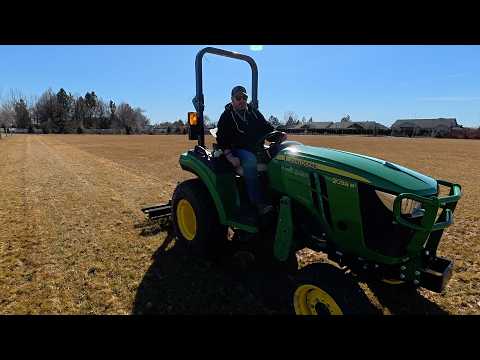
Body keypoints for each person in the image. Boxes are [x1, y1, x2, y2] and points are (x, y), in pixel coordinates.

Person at [216, 85, 287, 215]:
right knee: (250, 159)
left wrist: (278, 134)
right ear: (232, 100)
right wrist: (230, 157)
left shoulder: (253, 112)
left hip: (256, 148)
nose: (242, 100)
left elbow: (267, 127)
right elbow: (222, 139)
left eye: (244, 97)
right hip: (238, 150)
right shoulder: (226, 116)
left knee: (286, 149)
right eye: (238, 98)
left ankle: (281, 195)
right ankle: (258, 202)